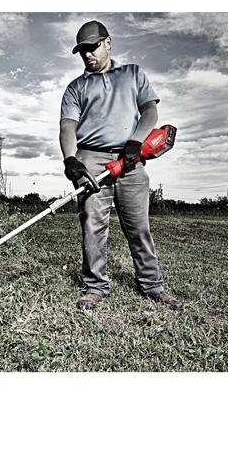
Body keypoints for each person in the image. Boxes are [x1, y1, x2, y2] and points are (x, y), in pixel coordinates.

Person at [59, 20, 182, 311]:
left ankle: (151, 285)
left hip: (131, 157)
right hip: (91, 159)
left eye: (93, 47)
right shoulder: (76, 87)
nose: (88, 54)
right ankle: (95, 287)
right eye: (82, 51)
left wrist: (136, 142)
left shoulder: (133, 74)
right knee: (92, 226)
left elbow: (150, 111)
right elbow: (67, 126)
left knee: (139, 227)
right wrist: (71, 159)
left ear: (108, 42)